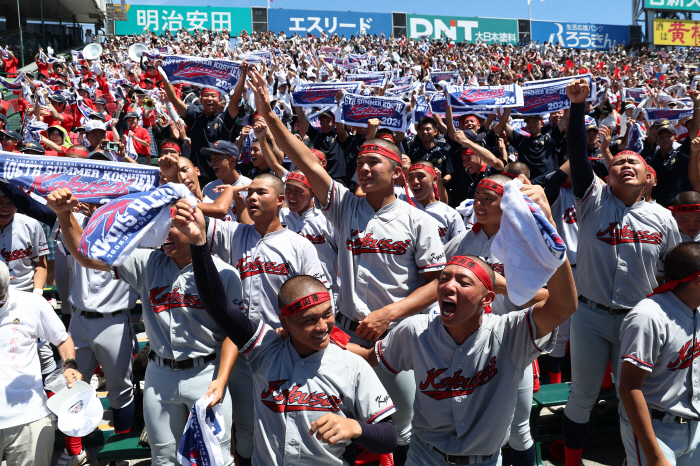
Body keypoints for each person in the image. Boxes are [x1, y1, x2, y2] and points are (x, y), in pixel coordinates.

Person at [248, 67, 445, 465]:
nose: (366, 168)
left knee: (397, 429)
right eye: (361, 162)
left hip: (400, 338)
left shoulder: (418, 220)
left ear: (397, 172)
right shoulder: (345, 207)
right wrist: (270, 117)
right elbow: (307, 162)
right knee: (350, 428)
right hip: (343, 334)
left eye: (375, 162)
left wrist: (390, 313)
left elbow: (437, 283)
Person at [176, 202, 399, 464]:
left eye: (327, 314)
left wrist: (356, 428)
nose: (322, 326)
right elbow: (220, 308)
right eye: (308, 320)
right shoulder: (265, 349)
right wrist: (199, 244)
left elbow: (389, 436)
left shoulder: (352, 366)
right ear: (285, 321)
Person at [45, 188, 242, 466]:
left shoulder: (223, 273)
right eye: (163, 226)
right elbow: (87, 255)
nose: (165, 233)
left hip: (205, 374)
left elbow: (233, 334)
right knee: (162, 456)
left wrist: (221, 381)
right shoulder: (148, 262)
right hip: (159, 375)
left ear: (198, 228)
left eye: (174, 225)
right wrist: (65, 215)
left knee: (214, 457)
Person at [348, 243, 576, 465]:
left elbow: (563, 305)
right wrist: (329, 343)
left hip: (485, 460)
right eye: (445, 278)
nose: (449, 285)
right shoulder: (416, 330)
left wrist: (550, 238)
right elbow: (369, 357)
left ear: (487, 298)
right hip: (424, 456)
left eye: (463, 282)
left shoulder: (509, 332)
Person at [561, 78, 682, 466]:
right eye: (618, 163)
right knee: (581, 394)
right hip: (590, 315)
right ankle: (573, 459)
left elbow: (673, 276)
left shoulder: (663, 218)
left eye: (634, 162)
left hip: (637, 319)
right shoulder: (592, 201)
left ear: (649, 178)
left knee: (633, 398)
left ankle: (634, 460)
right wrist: (578, 108)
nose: (625, 165)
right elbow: (578, 156)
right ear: (607, 175)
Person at [619, 242, 700, 466]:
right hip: (656, 428)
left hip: (695, 426)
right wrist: (655, 456)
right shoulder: (648, 317)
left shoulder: (697, 310)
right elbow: (629, 387)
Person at [0, 261, 83, 466]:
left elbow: (62, 339)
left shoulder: (31, 304)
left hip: (29, 418)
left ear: (9, 281)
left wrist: (70, 365)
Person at [162, 62, 249, 184]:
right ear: (201, 99)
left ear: (220, 101)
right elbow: (175, 100)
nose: (209, 98)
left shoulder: (225, 119)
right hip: (198, 174)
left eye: (213, 96)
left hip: (221, 175)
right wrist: (163, 73)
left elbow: (235, 99)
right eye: (206, 95)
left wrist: (243, 74)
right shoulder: (194, 116)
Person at [406, 161, 464, 245]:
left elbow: (460, 247)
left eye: (421, 176)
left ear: (435, 179)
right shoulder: (402, 208)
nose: (415, 181)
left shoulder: (450, 214)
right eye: (411, 177)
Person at [201, 140, 252, 222]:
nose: (212, 163)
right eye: (212, 159)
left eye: (216, 158)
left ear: (232, 161)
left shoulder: (250, 186)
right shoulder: (209, 188)